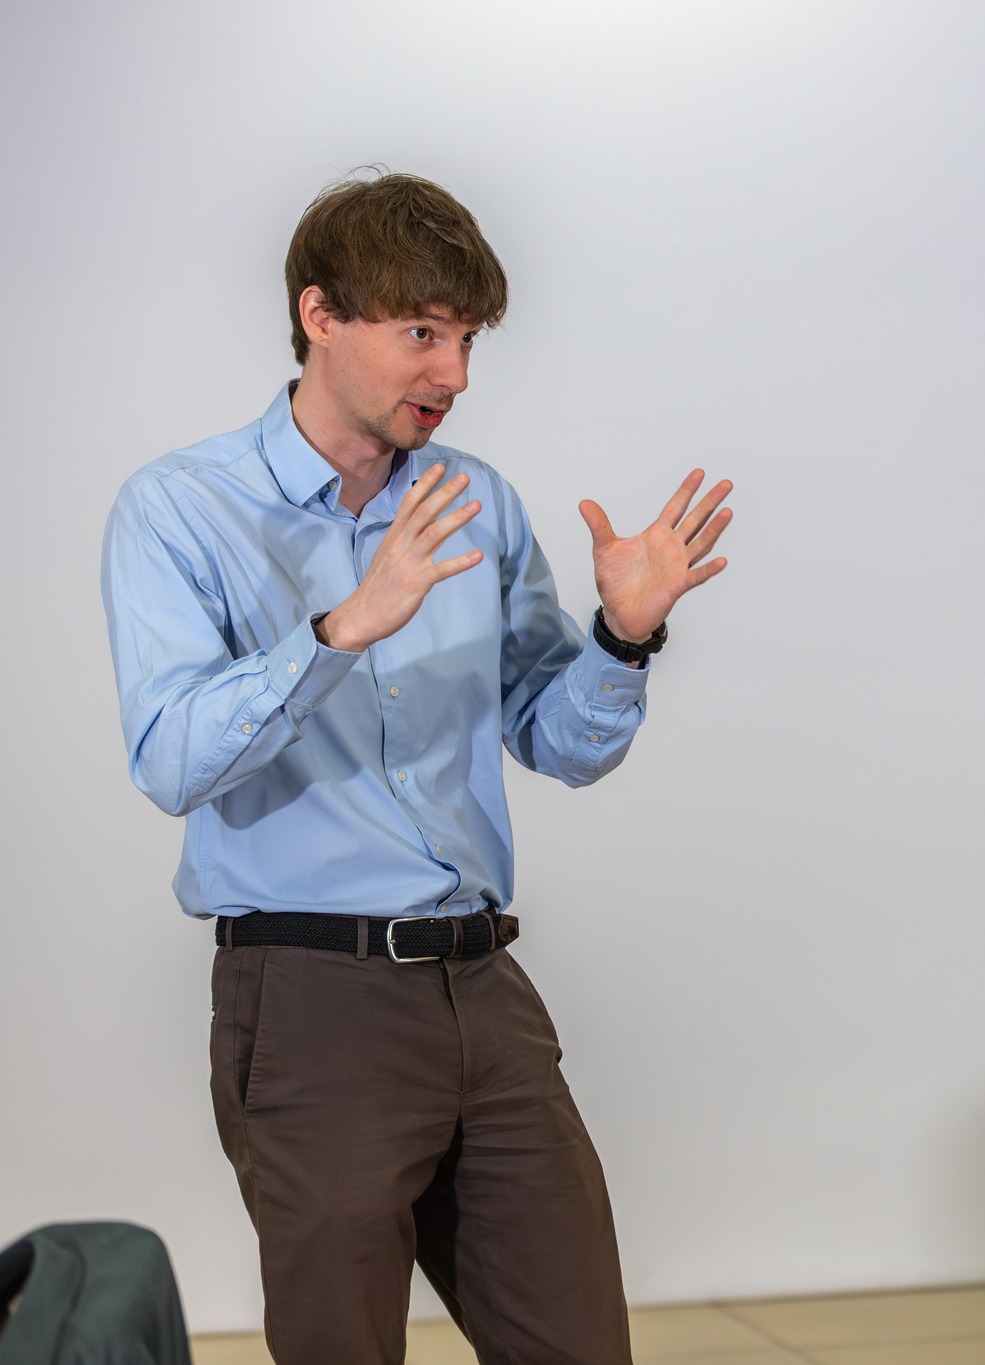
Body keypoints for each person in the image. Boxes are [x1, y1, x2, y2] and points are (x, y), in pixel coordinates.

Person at [99, 170, 732, 1364]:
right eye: (423, 334)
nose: (455, 374)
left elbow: (558, 742)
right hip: (310, 999)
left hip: (483, 989)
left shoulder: (474, 501)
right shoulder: (180, 509)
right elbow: (170, 759)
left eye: (468, 339)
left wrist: (621, 637)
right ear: (319, 316)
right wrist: (342, 627)